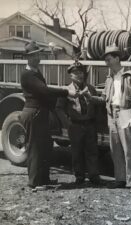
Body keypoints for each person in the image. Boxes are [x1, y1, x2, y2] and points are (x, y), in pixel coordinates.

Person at [84, 45, 131, 193]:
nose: (106, 62)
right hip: (112, 115)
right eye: (105, 60)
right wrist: (91, 98)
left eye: (109, 59)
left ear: (117, 58)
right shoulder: (109, 78)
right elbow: (104, 98)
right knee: (115, 149)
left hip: (125, 113)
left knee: (129, 149)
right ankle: (120, 179)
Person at [20, 41, 76, 190]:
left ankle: (44, 180)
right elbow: (44, 90)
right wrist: (66, 92)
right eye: (34, 55)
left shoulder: (35, 72)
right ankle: (34, 182)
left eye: (38, 54)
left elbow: (44, 95)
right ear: (28, 58)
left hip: (40, 113)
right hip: (34, 113)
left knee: (45, 147)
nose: (37, 58)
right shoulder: (27, 75)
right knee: (35, 148)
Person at [56, 61, 101, 185]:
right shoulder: (66, 90)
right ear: (70, 75)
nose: (79, 75)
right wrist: (67, 124)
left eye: (81, 72)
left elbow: (97, 105)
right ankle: (79, 176)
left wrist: (94, 121)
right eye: (75, 73)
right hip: (75, 125)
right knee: (77, 151)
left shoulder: (90, 88)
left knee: (92, 151)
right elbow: (59, 108)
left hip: (89, 125)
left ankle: (94, 175)